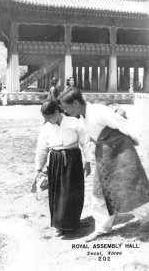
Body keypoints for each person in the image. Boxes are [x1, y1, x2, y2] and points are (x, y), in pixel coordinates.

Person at [59, 87, 149, 241]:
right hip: (104, 155)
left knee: (130, 186)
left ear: (75, 102)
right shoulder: (83, 117)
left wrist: (134, 139)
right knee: (100, 191)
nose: (65, 111)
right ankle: (103, 228)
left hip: (121, 151)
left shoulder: (99, 111)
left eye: (66, 107)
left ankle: (147, 218)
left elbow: (122, 123)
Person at [35, 100, 92, 236]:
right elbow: (41, 148)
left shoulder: (74, 122)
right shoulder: (46, 127)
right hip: (55, 160)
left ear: (57, 112)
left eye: (49, 117)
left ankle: (73, 222)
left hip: (73, 159)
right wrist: (39, 167)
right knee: (58, 193)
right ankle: (59, 225)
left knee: (73, 192)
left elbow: (85, 141)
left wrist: (88, 161)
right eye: (45, 118)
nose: (48, 120)